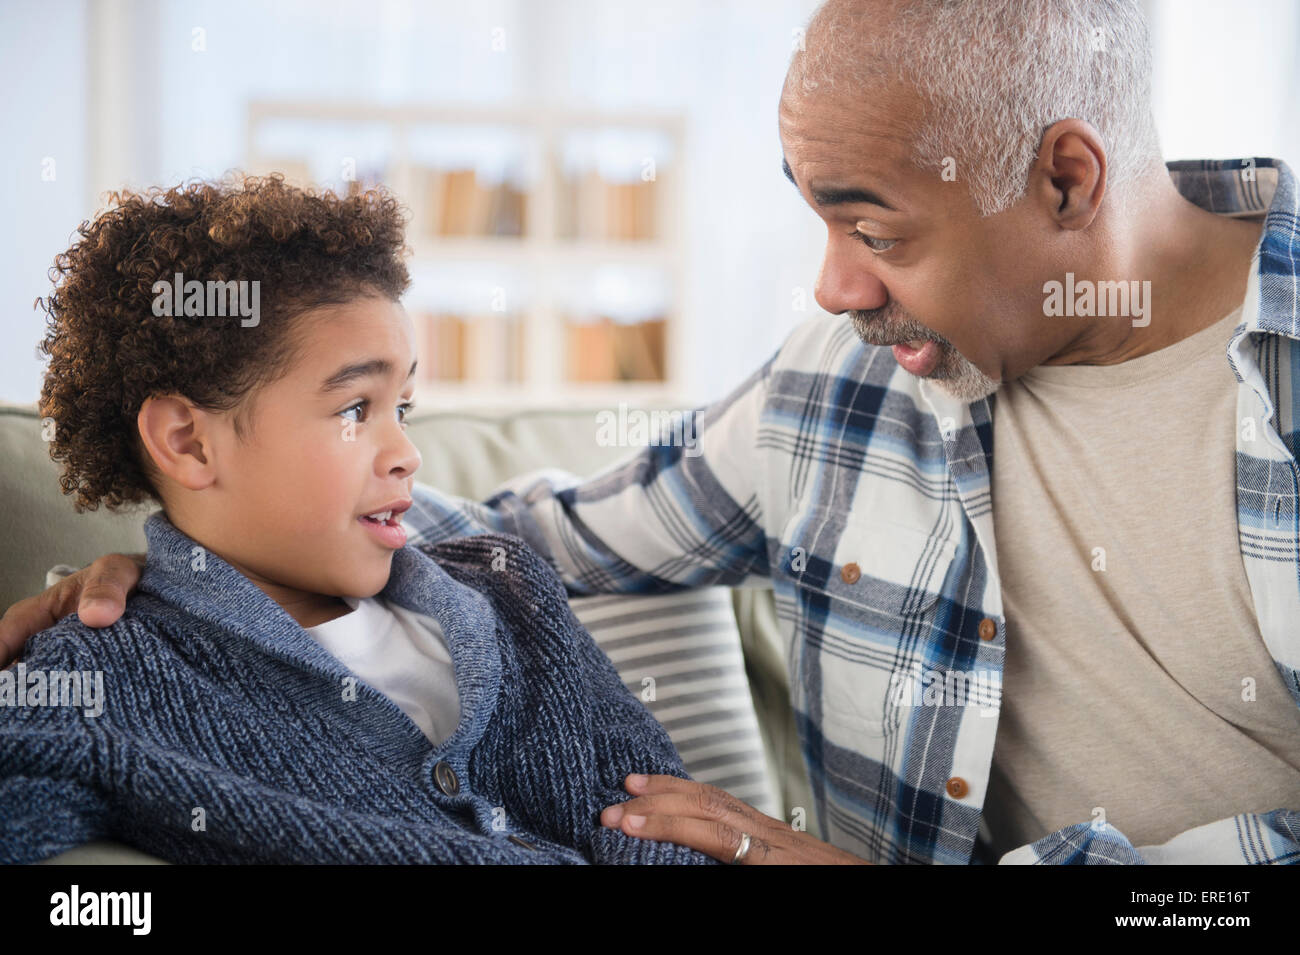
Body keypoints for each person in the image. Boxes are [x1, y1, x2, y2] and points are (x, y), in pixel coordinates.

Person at [6, 0, 1299, 865]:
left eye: (881, 230)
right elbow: (519, 540)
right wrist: (159, 569)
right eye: (820, 221)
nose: (833, 289)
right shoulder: (837, 383)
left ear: (1068, 178)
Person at [0, 174, 721, 865]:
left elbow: (657, 813)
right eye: (354, 409)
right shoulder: (108, 677)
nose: (407, 452)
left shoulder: (511, 590)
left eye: (402, 408)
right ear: (188, 441)